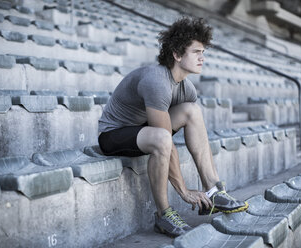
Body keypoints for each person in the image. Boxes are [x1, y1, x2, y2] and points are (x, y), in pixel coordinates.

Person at [98, 17, 248, 237]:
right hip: (114, 133)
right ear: (177, 55)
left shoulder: (186, 89)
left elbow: (169, 130)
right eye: (196, 52)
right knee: (162, 139)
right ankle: (164, 214)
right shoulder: (157, 81)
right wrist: (184, 191)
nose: (202, 57)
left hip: (144, 129)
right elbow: (164, 138)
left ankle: (214, 190)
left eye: (203, 52)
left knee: (192, 111)